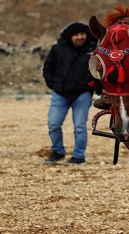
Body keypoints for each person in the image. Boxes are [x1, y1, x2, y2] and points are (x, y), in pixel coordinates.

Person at [42, 22, 97, 165]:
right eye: (76, 35)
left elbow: (99, 71)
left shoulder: (94, 50)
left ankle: (79, 156)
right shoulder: (58, 49)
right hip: (60, 93)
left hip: (82, 95)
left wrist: (90, 89)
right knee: (53, 124)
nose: (80, 37)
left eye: (82, 34)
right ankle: (58, 152)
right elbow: (48, 67)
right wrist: (53, 84)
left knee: (79, 127)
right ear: (70, 36)